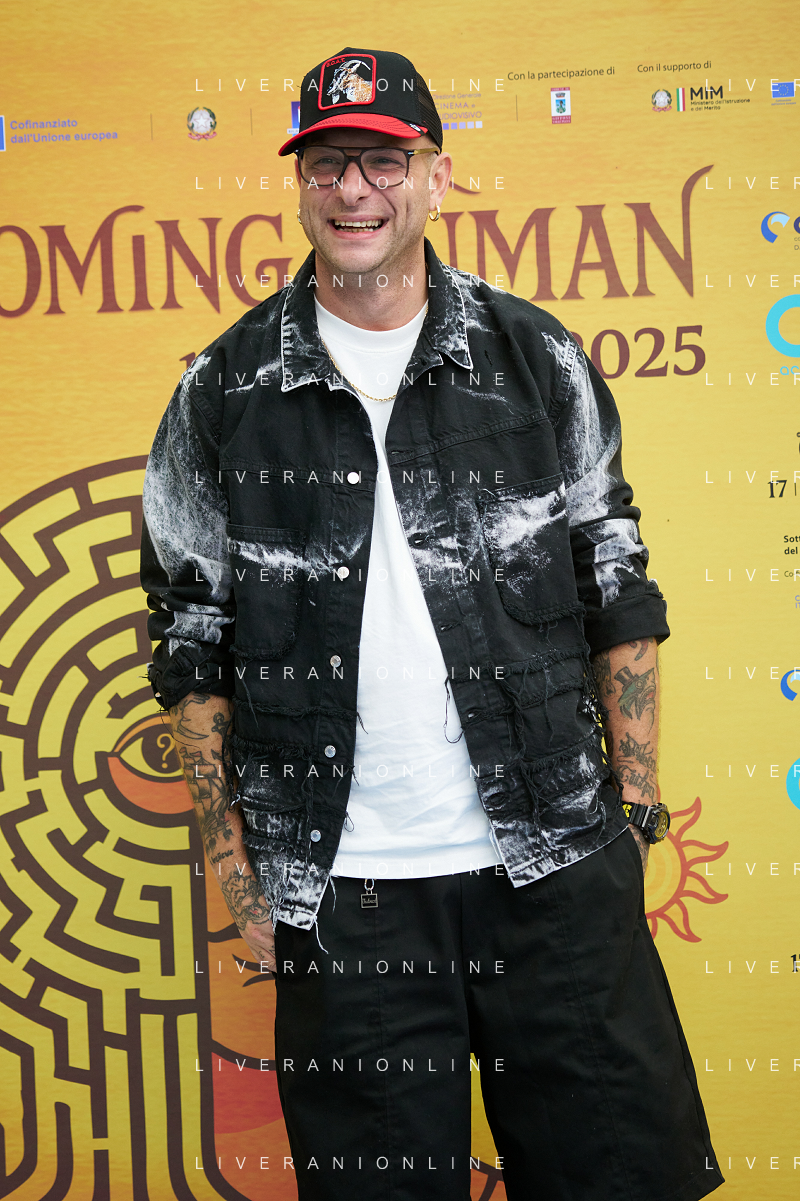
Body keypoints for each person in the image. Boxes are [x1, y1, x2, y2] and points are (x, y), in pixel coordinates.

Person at [140, 46, 723, 1201]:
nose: (352, 190)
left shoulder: (533, 359)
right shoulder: (222, 392)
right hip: (344, 897)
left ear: (436, 178)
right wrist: (236, 875)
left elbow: (615, 584)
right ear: (299, 185)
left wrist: (632, 811)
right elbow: (190, 639)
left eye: (381, 161)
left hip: (553, 867)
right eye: (325, 164)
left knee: (618, 1177)